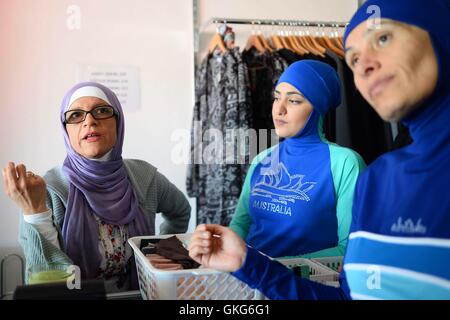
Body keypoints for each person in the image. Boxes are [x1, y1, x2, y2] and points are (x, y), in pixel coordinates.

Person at [189, 0, 450, 299]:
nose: (364, 65)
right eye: (352, 58)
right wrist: (248, 264)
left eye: (383, 38)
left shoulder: (348, 164)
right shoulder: (379, 178)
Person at [2, 82, 191, 291]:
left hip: (140, 295)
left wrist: (158, 256)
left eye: (101, 111)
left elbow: (180, 211)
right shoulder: (45, 191)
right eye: (75, 115)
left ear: (118, 122)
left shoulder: (145, 178)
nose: (89, 121)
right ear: (66, 131)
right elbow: (46, 284)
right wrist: (35, 214)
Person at [229, 60, 365, 260]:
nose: (279, 109)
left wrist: (270, 268)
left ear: (318, 106)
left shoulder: (345, 164)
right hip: (247, 285)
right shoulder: (262, 159)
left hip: (307, 287)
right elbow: (240, 225)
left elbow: (349, 250)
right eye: (277, 98)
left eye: (293, 101)